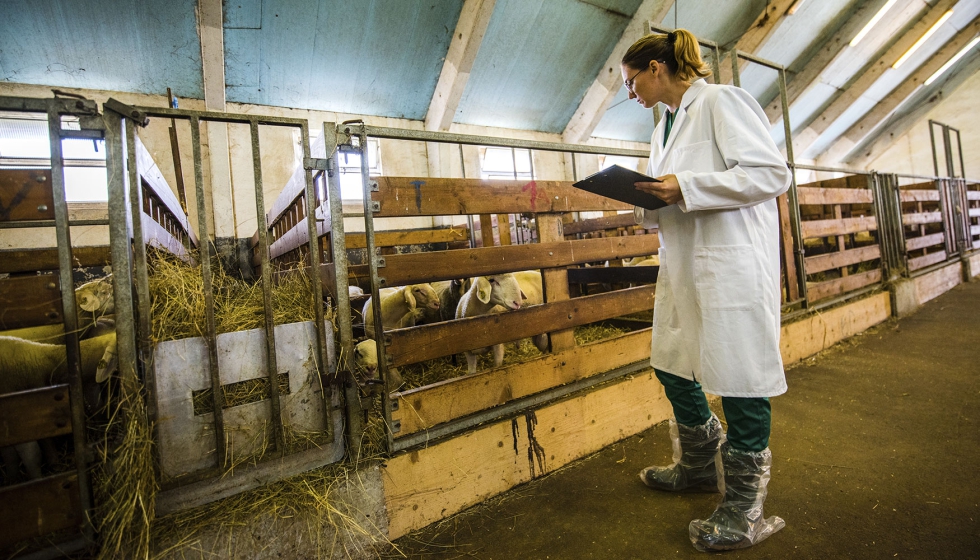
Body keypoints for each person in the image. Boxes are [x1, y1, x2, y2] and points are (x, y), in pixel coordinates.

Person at [622, 29, 791, 552]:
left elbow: (770, 174)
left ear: (656, 67)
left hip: (731, 264)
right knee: (670, 361)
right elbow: (664, 194)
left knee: (741, 377)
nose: (631, 93)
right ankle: (697, 463)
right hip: (683, 263)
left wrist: (685, 187)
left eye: (633, 81)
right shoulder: (663, 128)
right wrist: (643, 198)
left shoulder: (722, 102)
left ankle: (744, 507)